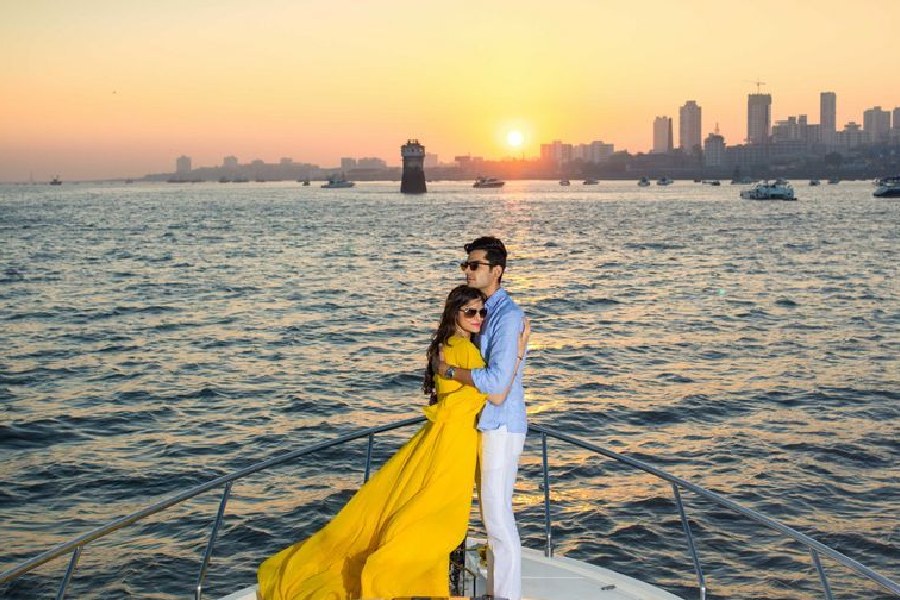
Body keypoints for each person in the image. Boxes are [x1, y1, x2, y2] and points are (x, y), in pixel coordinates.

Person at [257, 285, 528, 600]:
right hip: (455, 444)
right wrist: (518, 353)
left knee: (428, 512)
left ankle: (411, 578)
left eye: (482, 311)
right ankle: (387, 576)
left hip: (448, 439)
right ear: (455, 313)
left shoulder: (448, 345)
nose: (479, 317)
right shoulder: (462, 350)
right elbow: (493, 393)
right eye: (470, 312)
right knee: (442, 520)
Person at [435, 236, 528, 600]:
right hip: (488, 425)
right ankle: (497, 593)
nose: (468, 271)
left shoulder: (507, 316)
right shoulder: (484, 312)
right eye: (466, 265)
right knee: (492, 516)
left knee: (498, 517)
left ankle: (505, 597)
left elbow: (496, 387)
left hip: (501, 425)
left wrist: (449, 371)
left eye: (475, 265)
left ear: (497, 271)